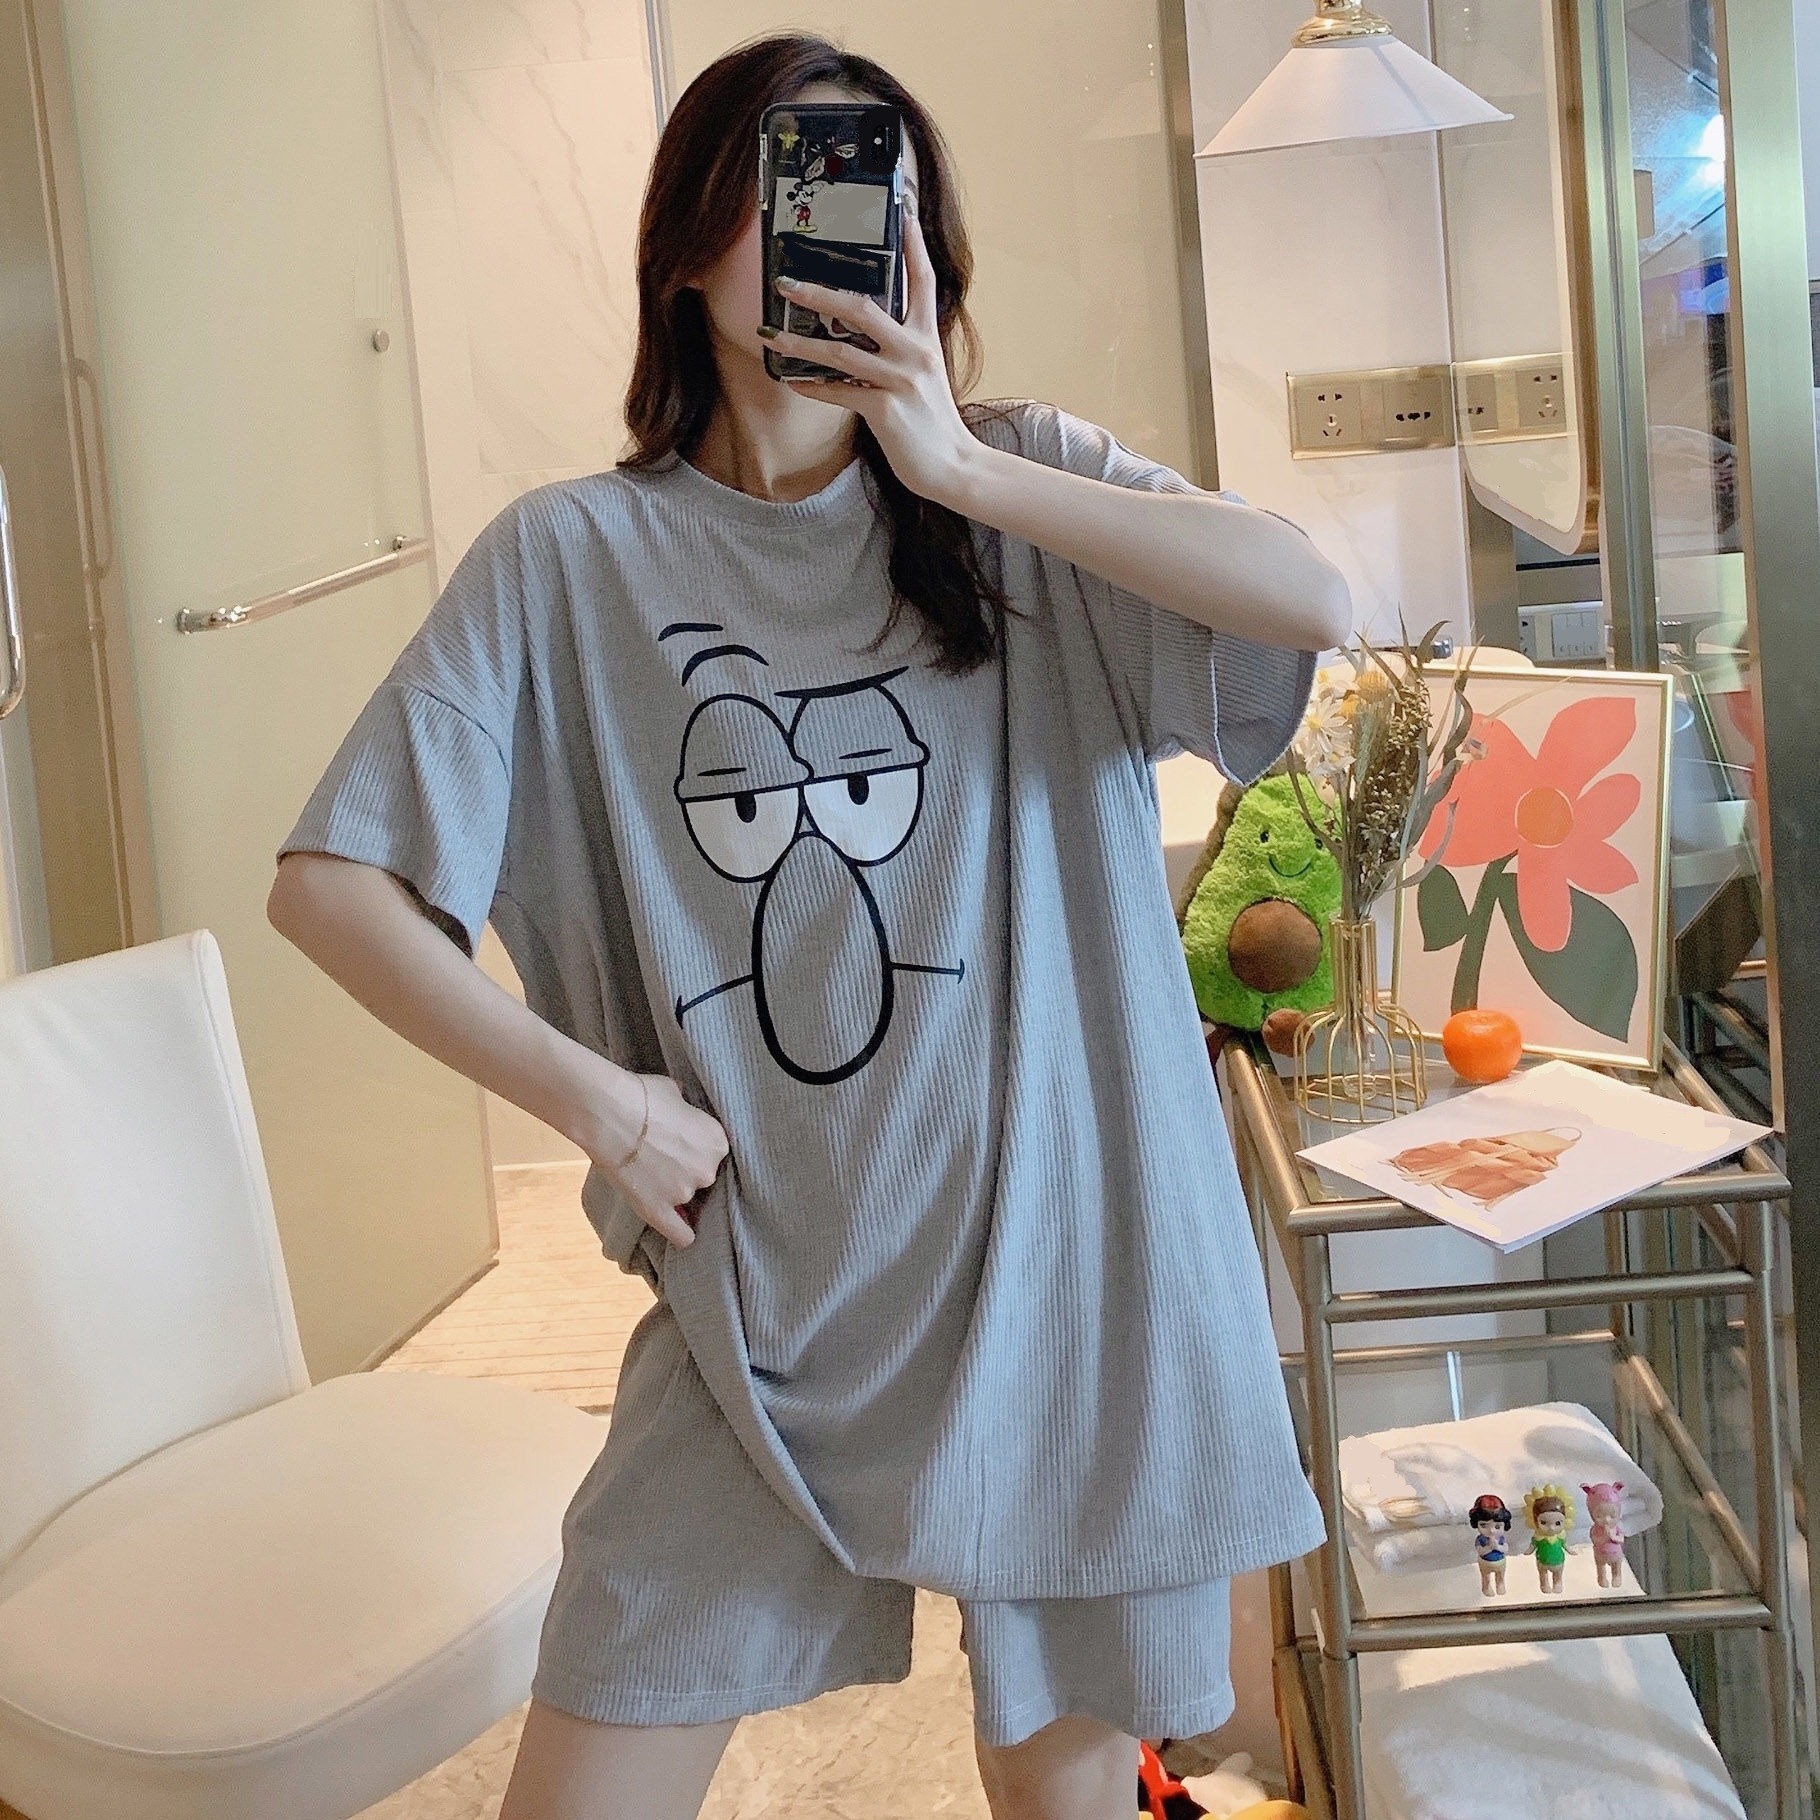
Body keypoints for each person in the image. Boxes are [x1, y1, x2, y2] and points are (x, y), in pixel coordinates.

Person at [268, 32, 1349, 1820]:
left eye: (879, 195)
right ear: (690, 240)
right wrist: (599, 1106)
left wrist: (963, 471)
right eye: (798, 184)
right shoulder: (571, 562)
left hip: (1065, 1287)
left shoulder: (1022, 485)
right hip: (750, 1312)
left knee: (1067, 1798)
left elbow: (1312, 598)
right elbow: (330, 886)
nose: (840, 234)